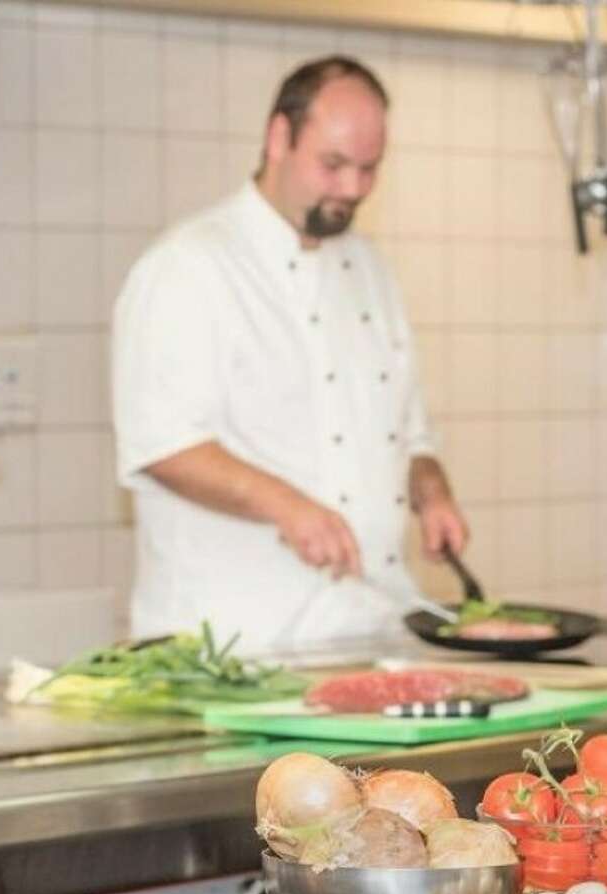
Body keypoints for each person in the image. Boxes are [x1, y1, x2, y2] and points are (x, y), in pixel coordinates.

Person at [111, 55, 469, 652]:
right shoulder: (188, 267)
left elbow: (407, 435)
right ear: (279, 137)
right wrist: (289, 507)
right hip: (231, 643)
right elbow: (163, 445)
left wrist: (431, 492)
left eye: (368, 169)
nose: (352, 189)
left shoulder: (371, 270)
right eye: (333, 165)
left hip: (368, 628)